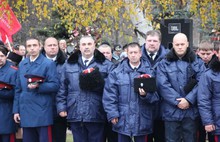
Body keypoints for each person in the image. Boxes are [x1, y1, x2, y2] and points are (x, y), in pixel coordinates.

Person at [56, 35, 113, 142]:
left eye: (89, 44)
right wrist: (61, 107)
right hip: (75, 111)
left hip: (96, 111)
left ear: (94, 46)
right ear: (80, 47)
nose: (86, 47)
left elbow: (111, 90)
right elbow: (62, 88)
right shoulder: (68, 65)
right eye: (84, 44)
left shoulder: (106, 65)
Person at [103, 42, 159, 142]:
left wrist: (145, 95)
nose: (133, 55)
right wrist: (112, 113)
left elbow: (156, 96)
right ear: (127, 54)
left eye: (135, 52)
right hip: (123, 118)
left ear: (140, 53)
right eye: (131, 52)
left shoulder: (149, 72)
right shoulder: (116, 72)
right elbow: (109, 95)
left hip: (142, 119)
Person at [156, 33, 205, 142]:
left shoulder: (198, 62)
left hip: (190, 111)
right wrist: (177, 101)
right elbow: (162, 85)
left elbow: (201, 83)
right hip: (171, 111)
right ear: (173, 44)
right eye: (177, 44)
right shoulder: (164, 63)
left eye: (182, 44)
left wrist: (188, 100)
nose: (179, 46)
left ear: (187, 44)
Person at [13, 37, 59, 142]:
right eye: (29, 46)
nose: (32, 48)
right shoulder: (22, 64)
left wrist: (39, 86)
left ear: (40, 46)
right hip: (26, 109)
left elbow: (55, 85)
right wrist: (16, 110)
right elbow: (18, 89)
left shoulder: (48, 63)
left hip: (42, 110)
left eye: (34, 45)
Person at [141, 30, 169, 142]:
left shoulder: (168, 57)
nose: (152, 43)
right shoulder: (136, 55)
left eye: (155, 41)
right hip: (143, 106)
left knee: (161, 137)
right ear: (145, 41)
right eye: (149, 40)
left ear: (159, 42)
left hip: (163, 106)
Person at [43, 37, 67, 142]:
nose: (52, 47)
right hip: (42, 108)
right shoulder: (38, 63)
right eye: (50, 45)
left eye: (55, 45)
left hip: (60, 108)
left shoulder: (67, 63)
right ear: (44, 47)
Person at [197, 42, 220, 141]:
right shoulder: (209, 74)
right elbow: (203, 99)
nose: (205, 56)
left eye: (208, 54)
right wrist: (208, 121)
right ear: (217, 53)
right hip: (217, 121)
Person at [0, 46, 17, 142]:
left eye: (2, 56)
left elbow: (16, 93)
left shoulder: (13, 71)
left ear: (6, 56)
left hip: (6, 112)